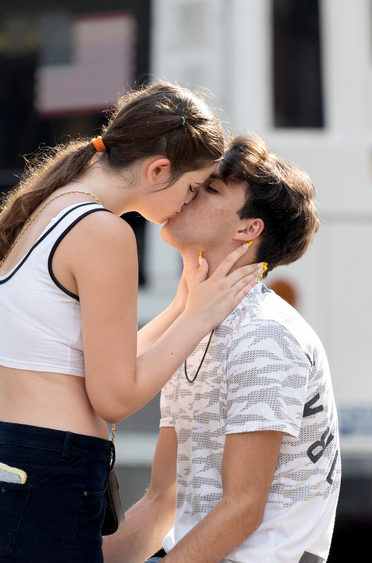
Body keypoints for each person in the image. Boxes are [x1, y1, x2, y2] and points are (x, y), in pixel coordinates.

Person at [0, 82, 266, 561]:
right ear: (158, 169)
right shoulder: (103, 231)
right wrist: (200, 318)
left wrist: (184, 306)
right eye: (189, 188)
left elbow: (95, 358)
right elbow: (114, 396)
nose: (188, 203)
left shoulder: (40, 209)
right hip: (37, 486)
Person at [103, 134, 339, 563]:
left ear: (248, 229)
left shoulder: (265, 333)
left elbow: (242, 509)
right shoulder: (199, 323)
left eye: (208, 190)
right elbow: (162, 501)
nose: (186, 194)